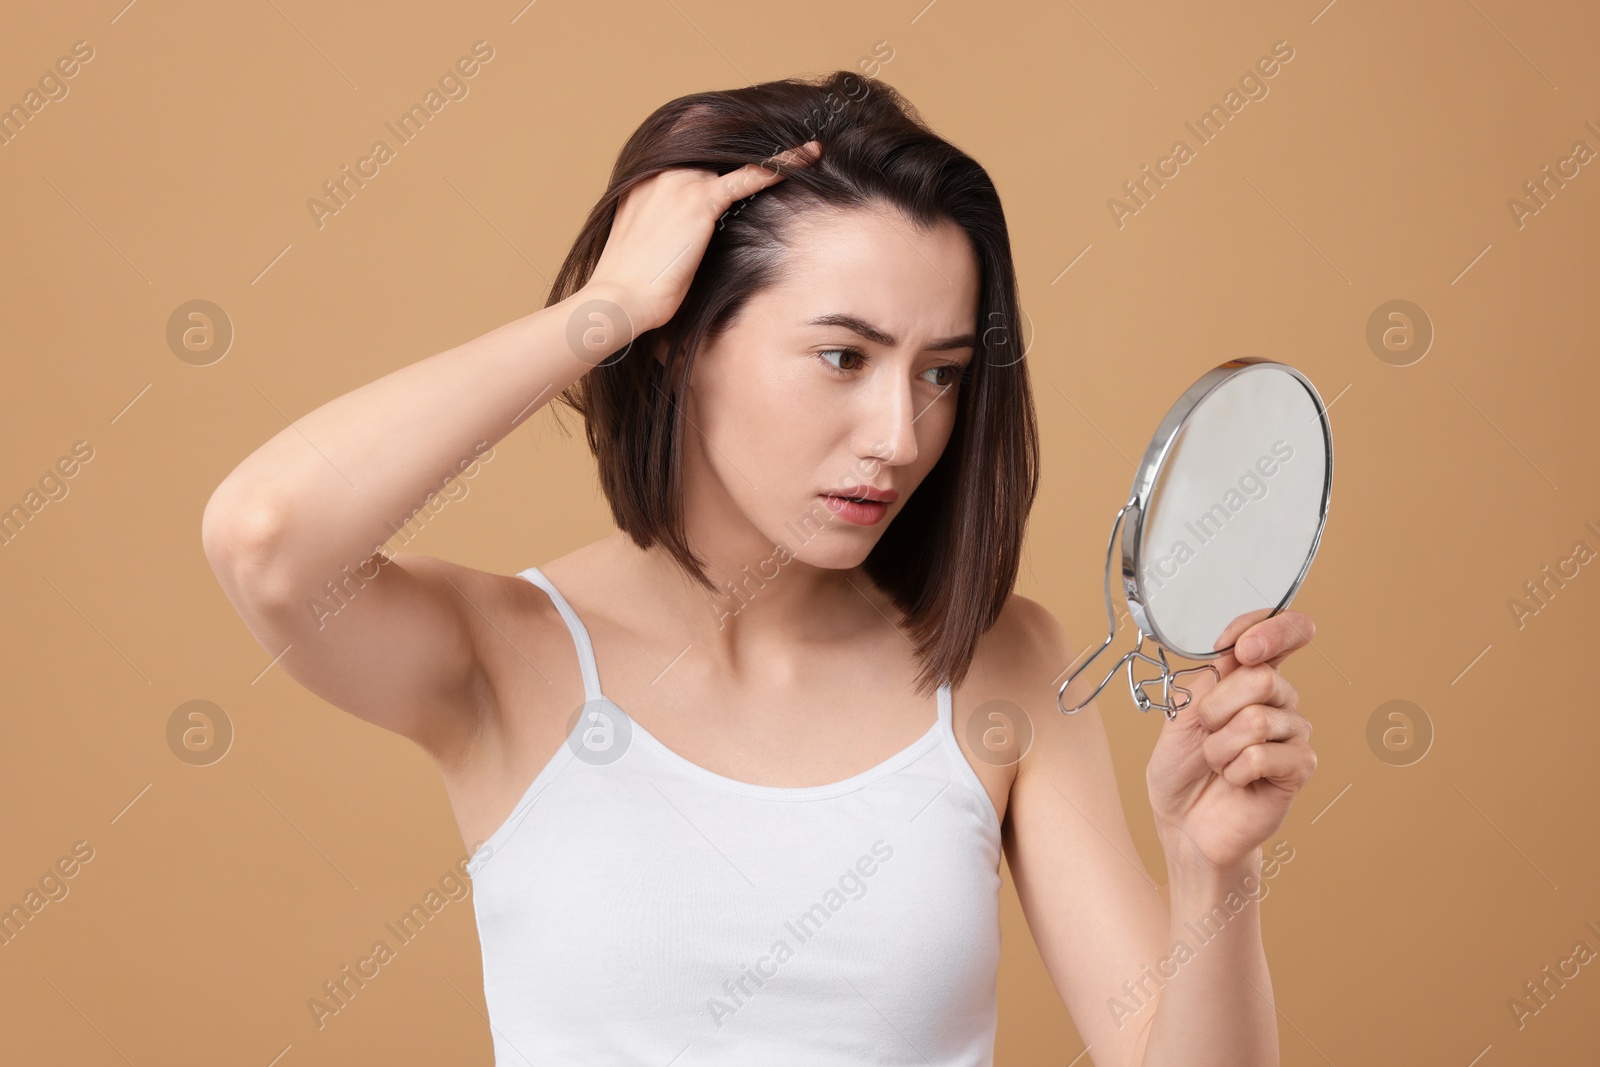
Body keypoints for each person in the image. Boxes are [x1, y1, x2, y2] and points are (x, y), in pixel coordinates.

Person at [201, 69, 1317, 1066]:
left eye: (939, 371)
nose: (898, 432)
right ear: (684, 340)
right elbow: (266, 535)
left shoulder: (999, 663)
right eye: (843, 355)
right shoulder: (504, 656)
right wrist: (608, 307)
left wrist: (1212, 871)